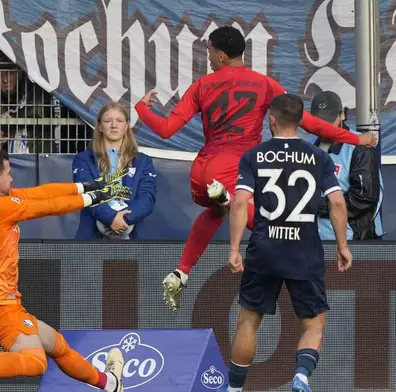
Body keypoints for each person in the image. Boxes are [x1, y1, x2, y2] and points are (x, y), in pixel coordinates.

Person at [134, 25, 376, 311]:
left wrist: (140, 108)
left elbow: (165, 130)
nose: (208, 57)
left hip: (201, 171)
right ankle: (236, 209)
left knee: (217, 212)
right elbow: (309, 122)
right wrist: (355, 138)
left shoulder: (201, 86)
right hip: (233, 167)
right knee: (264, 221)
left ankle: (182, 271)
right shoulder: (264, 84)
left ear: (222, 55)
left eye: (210, 51)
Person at [0, 148, 130, 392]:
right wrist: (97, 198)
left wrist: (89, 186)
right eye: (8, 173)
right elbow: (49, 206)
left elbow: (39, 193)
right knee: (36, 362)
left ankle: (110, 384)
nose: (12, 178)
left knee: (55, 343)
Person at [227, 94, 352, 392]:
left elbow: (240, 202)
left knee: (248, 322)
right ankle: (301, 376)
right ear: (301, 123)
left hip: (265, 249)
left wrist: (233, 248)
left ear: (271, 120)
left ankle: (233, 390)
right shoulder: (319, 157)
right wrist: (342, 245)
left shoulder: (254, 155)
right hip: (304, 251)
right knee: (313, 324)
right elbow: (337, 203)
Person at [73, 102, 156, 239]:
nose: (114, 125)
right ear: (99, 126)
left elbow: (147, 197)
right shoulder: (83, 159)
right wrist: (111, 217)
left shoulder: (143, 161)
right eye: (107, 121)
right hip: (92, 238)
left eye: (119, 120)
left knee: (125, 261)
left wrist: (125, 219)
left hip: (131, 237)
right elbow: (88, 192)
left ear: (126, 125)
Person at [310, 91, 383, 240]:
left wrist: (320, 206)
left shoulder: (360, 148)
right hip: (317, 241)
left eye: (329, 120)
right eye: (319, 121)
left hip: (353, 240)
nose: (324, 126)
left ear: (342, 114)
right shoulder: (310, 150)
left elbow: (364, 198)